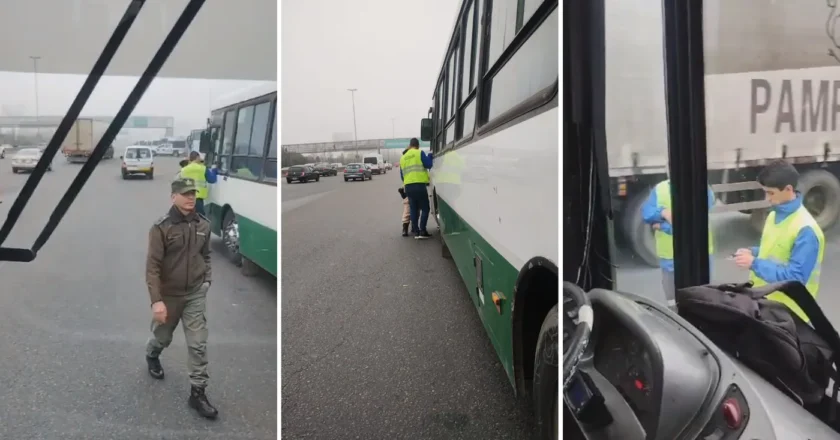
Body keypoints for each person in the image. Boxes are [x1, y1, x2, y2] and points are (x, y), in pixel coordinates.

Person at [145, 177, 218, 419]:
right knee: (162, 337)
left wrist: (207, 280)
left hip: (195, 292)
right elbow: (153, 267)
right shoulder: (161, 227)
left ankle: (198, 393)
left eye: (193, 194)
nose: (190, 198)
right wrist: (156, 300)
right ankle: (152, 354)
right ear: (173, 197)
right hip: (169, 295)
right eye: (185, 194)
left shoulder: (203, 224)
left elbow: (206, 255)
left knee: (198, 343)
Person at [733, 160, 825, 323]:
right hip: (767, 304)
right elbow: (775, 248)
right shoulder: (774, 215)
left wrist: (754, 263)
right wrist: (753, 252)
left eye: (771, 193)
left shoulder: (806, 231)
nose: (767, 198)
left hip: (789, 314)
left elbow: (795, 278)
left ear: (788, 189)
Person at [641, 179, 716, 307]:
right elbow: (646, 213)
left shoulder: (702, 187)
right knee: (671, 290)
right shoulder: (660, 188)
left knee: (699, 289)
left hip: (696, 251)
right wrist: (663, 212)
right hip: (671, 253)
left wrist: (662, 226)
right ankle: (674, 309)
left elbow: (693, 220)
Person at [399, 138, 433, 239]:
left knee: (413, 209)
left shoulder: (403, 158)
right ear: (417, 145)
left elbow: (402, 175)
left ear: (410, 145)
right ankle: (423, 230)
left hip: (408, 186)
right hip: (419, 185)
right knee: (425, 208)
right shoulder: (419, 153)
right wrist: (430, 157)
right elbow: (429, 164)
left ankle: (416, 232)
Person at [179, 151, 218, 216]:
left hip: (185, 198)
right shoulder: (202, 168)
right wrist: (214, 171)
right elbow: (212, 180)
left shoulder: (183, 170)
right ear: (197, 157)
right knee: (199, 218)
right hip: (197, 199)